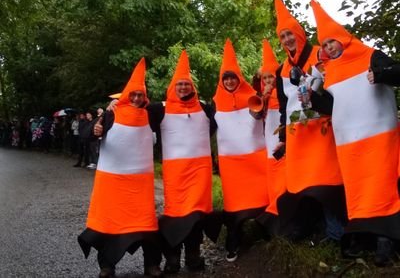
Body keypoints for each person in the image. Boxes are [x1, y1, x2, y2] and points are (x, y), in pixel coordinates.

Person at [310, 0, 400, 266]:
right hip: (348, 144)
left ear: (343, 39)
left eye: (331, 42)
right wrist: (313, 97)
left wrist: (382, 73)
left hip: (380, 138)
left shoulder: (370, 55)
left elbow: (398, 72)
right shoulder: (331, 72)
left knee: (382, 188)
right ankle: (363, 239)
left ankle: (386, 241)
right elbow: (330, 106)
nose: (328, 48)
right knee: (358, 193)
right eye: (325, 45)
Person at [78, 58, 162, 278]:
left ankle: (151, 264)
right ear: (126, 95)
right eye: (132, 94)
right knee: (109, 224)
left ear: (145, 97)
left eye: (140, 95)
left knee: (146, 224)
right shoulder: (110, 115)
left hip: (139, 185)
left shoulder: (151, 114)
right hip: (113, 183)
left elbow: (174, 104)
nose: (136, 98)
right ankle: (107, 266)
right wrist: (96, 125)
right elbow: (85, 134)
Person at [272, 0, 346, 242]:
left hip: (323, 126)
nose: (287, 40)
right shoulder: (281, 68)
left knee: (327, 179)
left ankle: (336, 232)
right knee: (301, 181)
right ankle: (305, 227)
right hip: (298, 132)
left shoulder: (320, 53)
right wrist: (283, 135)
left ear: (299, 33)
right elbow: (284, 106)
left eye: (290, 34)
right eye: (283, 36)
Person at [150, 50, 219, 274]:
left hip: (199, 172)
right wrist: (108, 113)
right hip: (176, 173)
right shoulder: (159, 109)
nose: (183, 88)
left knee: (196, 216)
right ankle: (172, 258)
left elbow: (226, 116)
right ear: (173, 86)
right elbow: (133, 109)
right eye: (179, 84)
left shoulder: (205, 107)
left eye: (186, 84)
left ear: (192, 87)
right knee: (175, 215)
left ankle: (193, 256)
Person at [213, 39, 269, 262]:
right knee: (234, 205)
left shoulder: (252, 95)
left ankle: (267, 233)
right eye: (225, 77)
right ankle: (233, 241)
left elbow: (259, 115)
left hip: (256, 157)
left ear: (239, 78)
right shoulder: (214, 102)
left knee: (262, 199)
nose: (229, 81)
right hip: (231, 163)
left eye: (232, 77)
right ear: (221, 80)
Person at [255, 40, 288, 236]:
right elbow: (256, 115)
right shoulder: (260, 97)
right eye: (265, 78)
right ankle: (273, 219)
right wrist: (264, 98)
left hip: (284, 143)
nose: (268, 81)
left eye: (272, 77)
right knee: (273, 181)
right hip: (269, 147)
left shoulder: (285, 93)